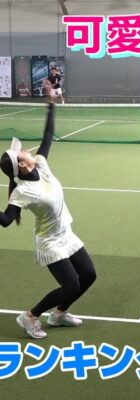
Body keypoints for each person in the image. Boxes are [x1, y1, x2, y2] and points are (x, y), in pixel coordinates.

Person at [0, 81, 96, 339]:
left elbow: (48, 136)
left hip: (66, 233)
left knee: (89, 275)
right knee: (71, 284)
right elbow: (7, 220)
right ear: (22, 165)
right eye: (22, 153)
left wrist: (50, 104)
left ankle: (59, 315)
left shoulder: (41, 164)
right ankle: (30, 316)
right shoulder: (22, 191)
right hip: (49, 242)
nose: (26, 150)